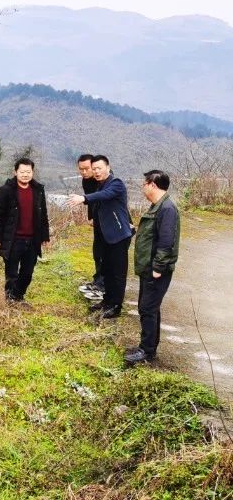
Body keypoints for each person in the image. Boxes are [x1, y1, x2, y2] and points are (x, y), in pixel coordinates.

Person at [65, 155, 132, 318]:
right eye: (93, 169)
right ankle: (107, 301)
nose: (96, 172)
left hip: (118, 235)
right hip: (105, 235)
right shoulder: (99, 185)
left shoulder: (116, 184)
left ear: (108, 168)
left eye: (99, 168)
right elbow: (97, 201)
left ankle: (115, 306)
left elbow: (104, 196)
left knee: (117, 273)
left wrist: (83, 198)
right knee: (106, 270)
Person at [125, 170, 180, 366]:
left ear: (153, 185)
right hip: (148, 267)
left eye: (144, 184)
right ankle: (148, 347)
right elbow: (153, 235)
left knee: (147, 308)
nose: (143, 187)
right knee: (150, 308)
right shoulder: (158, 206)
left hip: (155, 270)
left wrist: (158, 267)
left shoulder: (167, 209)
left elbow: (166, 241)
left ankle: (146, 351)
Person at [0, 158, 51, 304]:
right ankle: (11, 300)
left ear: (32, 172)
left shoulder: (38, 190)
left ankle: (18, 296)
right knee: (11, 273)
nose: (25, 175)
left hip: (32, 239)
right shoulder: (6, 190)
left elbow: (43, 214)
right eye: (22, 172)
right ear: (15, 172)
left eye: (28, 172)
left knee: (27, 274)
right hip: (13, 239)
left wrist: (45, 235)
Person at [75, 153, 105, 300]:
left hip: (111, 224)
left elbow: (102, 197)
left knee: (107, 256)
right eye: (81, 169)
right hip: (98, 221)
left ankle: (103, 286)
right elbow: (89, 200)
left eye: (87, 168)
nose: (84, 172)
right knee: (97, 253)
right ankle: (97, 282)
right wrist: (91, 217)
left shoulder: (104, 179)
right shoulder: (86, 181)